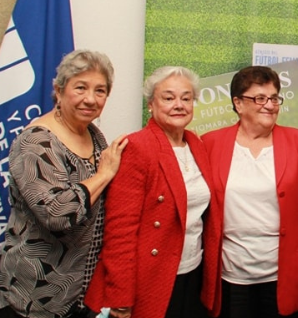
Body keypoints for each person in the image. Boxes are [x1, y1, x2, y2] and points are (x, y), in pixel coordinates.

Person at [0, 50, 128, 318]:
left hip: (79, 295)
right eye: (81, 88)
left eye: (100, 91)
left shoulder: (94, 135)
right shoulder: (36, 141)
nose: (91, 99)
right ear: (59, 90)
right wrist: (104, 174)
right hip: (32, 296)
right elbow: (57, 214)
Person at [85, 66, 222, 318]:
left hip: (193, 270)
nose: (178, 105)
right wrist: (120, 296)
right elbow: (120, 231)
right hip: (151, 277)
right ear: (151, 104)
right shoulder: (137, 147)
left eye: (186, 98)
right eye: (168, 98)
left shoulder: (196, 144)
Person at [202, 66, 298, 318]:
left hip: (282, 274)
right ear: (238, 103)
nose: (269, 105)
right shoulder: (210, 143)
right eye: (260, 98)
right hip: (229, 275)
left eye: (274, 98)